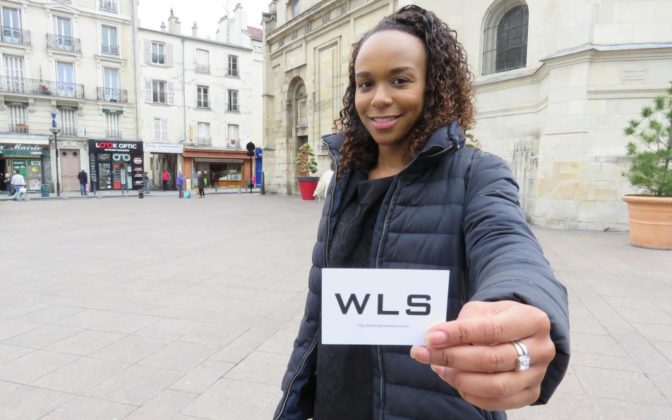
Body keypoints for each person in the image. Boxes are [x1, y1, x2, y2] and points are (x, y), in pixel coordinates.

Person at [275, 6, 569, 420]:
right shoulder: (345, 179)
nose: (379, 98)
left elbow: (509, 244)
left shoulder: (477, 173)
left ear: (434, 86)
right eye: (365, 83)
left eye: (400, 80)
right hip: (338, 403)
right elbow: (318, 312)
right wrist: (290, 404)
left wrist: (519, 301)